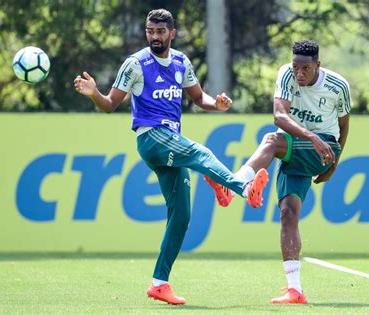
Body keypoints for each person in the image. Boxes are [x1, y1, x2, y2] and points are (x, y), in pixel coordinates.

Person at [73, 9, 268, 305]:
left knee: (181, 216)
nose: (154, 37)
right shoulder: (135, 64)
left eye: (160, 32)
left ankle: (159, 283)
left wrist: (216, 104)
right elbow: (110, 105)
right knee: (199, 152)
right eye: (150, 31)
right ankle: (241, 187)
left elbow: (198, 98)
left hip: (170, 144)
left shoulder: (181, 61)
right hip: (152, 138)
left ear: (172, 33)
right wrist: (93, 93)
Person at [205, 39, 351, 304]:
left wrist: (334, 162)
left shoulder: (338, 85)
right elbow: (279, 116)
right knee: (288, 214)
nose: (299, 73)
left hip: (322, 149)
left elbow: (344, 126)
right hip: (295, 147)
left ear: (318, 65)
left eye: (306, 68)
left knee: (272, 141)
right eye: (296, 67)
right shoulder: (287, 73)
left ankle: (234, 184)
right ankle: (294, 289)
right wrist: (309, 136)